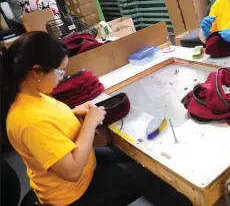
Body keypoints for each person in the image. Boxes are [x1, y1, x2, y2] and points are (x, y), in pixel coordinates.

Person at [1, 32, 192, 206]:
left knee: (133, 156)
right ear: (36, 72)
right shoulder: (29, 120)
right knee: (152, 176)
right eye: (60, 72)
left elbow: (51, 122)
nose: (62, 78)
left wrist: (75, 112)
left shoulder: (33, 94)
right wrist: (90, 123)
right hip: (73, 194)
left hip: (85, 166)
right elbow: (72, 171)